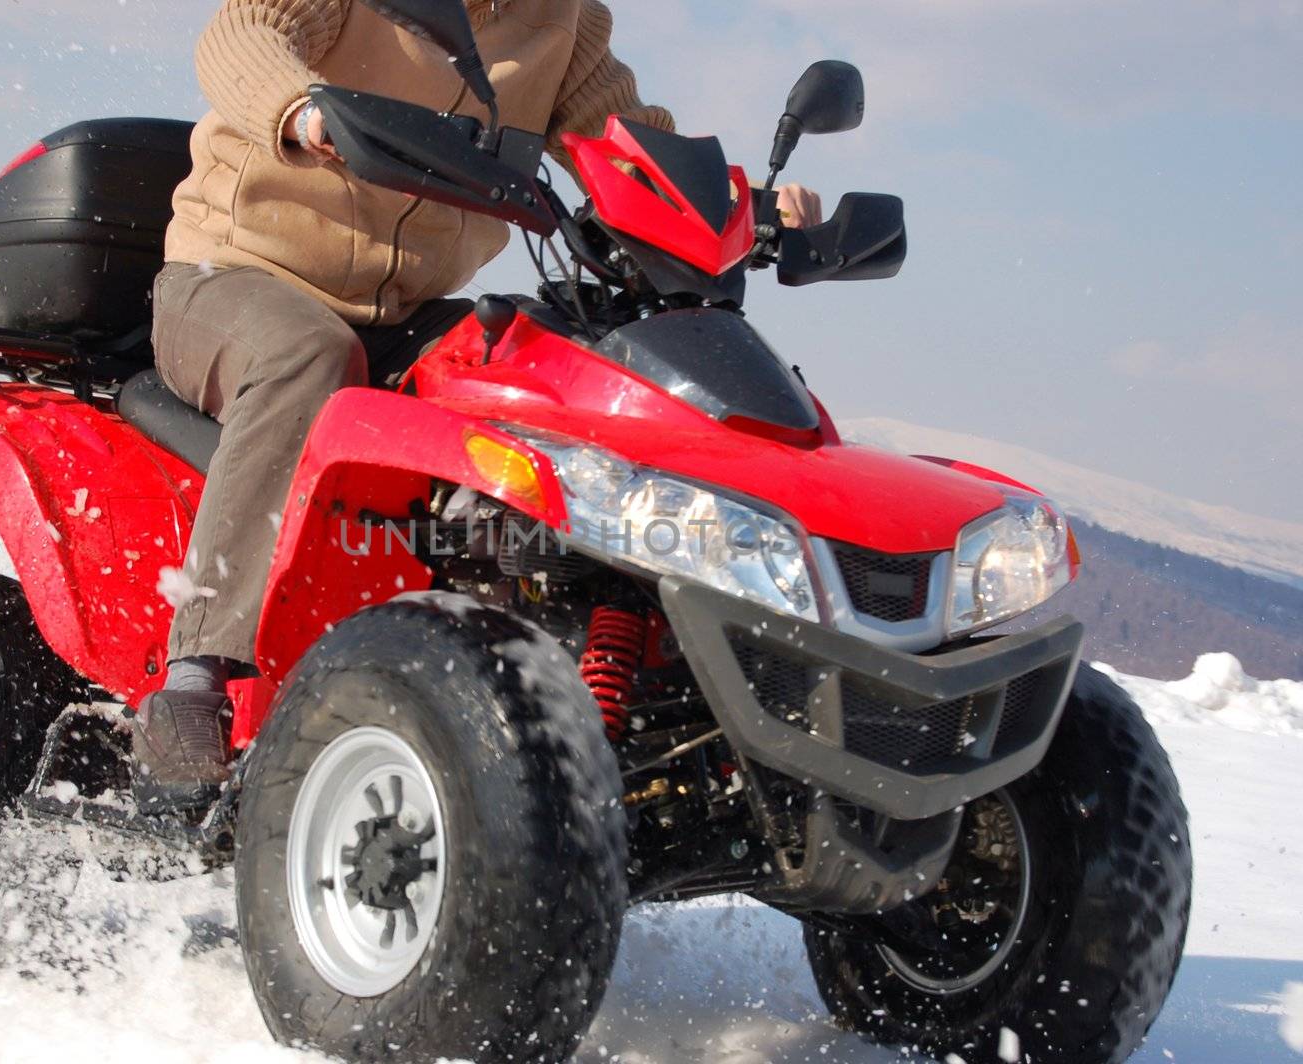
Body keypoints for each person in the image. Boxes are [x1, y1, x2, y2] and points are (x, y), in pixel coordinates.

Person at [134, 0, 824, 812]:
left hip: (403, 312)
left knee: (540, 370)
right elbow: (244, 36)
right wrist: (303, 108)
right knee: (309, 356)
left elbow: (628, 142)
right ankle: (196, 677)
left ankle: (506, 675)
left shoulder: (560, 21)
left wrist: (738, 203)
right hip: (234, 276)